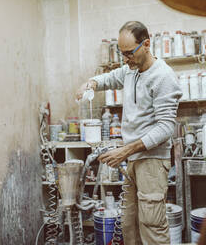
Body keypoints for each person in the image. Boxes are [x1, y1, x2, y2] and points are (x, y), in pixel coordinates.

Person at [77, 21, 182, 244]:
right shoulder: (130, 70)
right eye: (121, 53)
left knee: (152, 225)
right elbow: (109, 78)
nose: (125, 59)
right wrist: (91, 83)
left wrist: (126, 151)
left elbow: (165, 127)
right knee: (129, 224)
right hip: (133, 158)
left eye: (128, 53)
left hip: (152, 161)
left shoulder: (163, 77)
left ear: (146, 44)